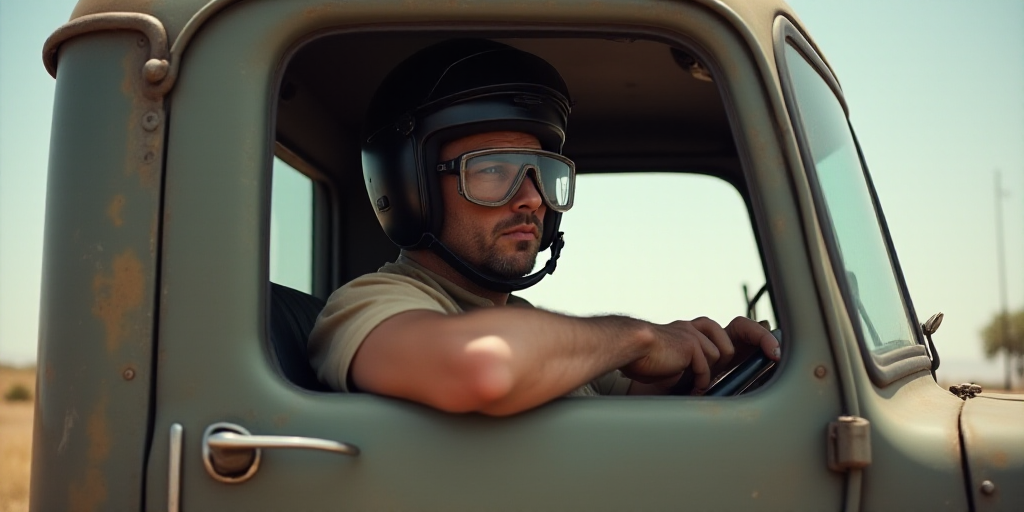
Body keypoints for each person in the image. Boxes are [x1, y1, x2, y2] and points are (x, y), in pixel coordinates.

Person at [308, 39, 780, 416]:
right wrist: (640, 337)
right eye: (493, 171)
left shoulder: (531, 327)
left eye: (540, 173)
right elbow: (482, 367)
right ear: (412, 192)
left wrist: (709, 364)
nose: (533, 198)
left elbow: (627, 405)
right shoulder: (370, 304)